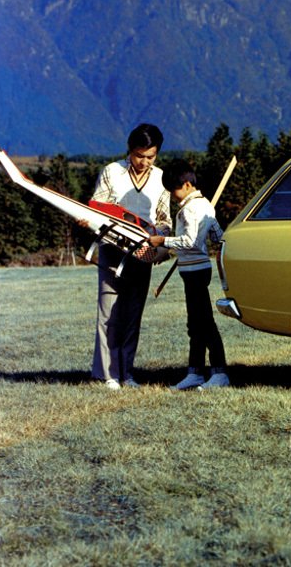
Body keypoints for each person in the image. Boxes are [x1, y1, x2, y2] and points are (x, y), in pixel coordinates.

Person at [90, 123, 172, 390]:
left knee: (133, 313)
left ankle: (128, 373)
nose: (144, 162)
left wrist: (155, 238)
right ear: (130, 150)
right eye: (139, 156)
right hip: (112, 249)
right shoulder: (112, 172)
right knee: (108, 312)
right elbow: (97, 208)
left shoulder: (161, 178)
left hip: (143, 252)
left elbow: (165, 221)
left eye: (151, 157)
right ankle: (108, 374)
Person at [148, 162, 229, 389]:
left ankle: (220, 372)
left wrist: (163, 241)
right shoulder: (204, 206)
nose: (172, 196)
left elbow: (191, 242)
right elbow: (217, 235)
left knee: (204, 323)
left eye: (173, 190)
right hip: (195, 270)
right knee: (195, 324)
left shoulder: (190, 209)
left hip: (195, 272)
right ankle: (195, 372)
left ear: (186, 184)